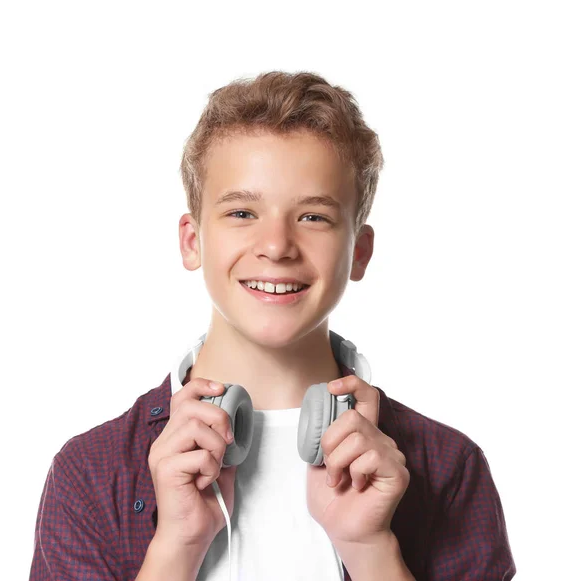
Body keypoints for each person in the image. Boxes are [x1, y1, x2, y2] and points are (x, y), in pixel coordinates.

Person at [29, 71, 516, 580]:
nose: (277, 245)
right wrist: (176, 547)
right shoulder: (88, 473)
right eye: (242, 212)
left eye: (313, 217)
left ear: (360, 251)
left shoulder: (449, 468)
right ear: (192, 241)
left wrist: (371, 550)